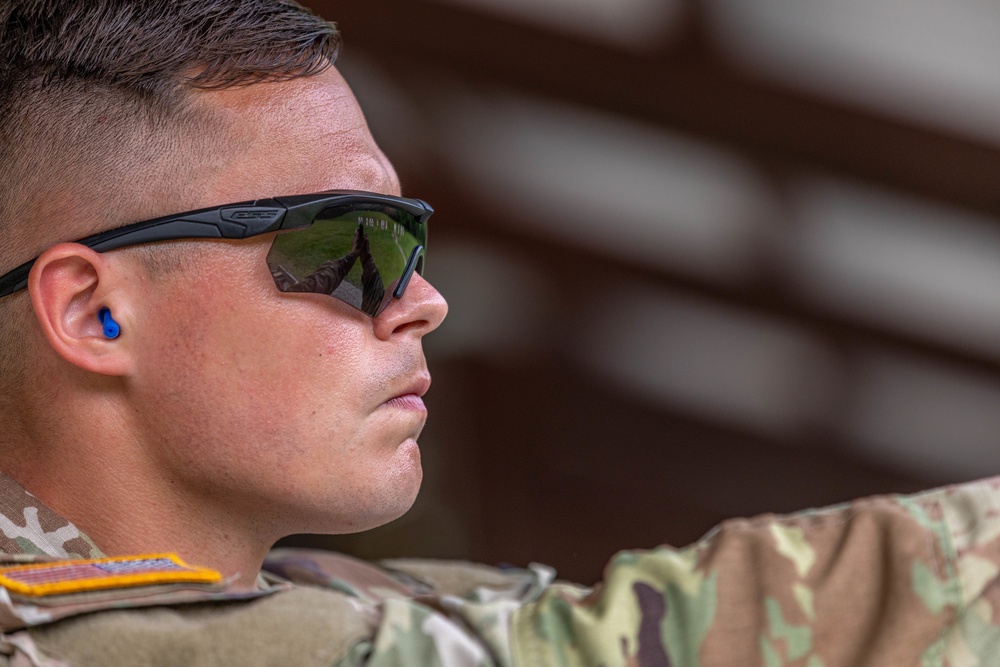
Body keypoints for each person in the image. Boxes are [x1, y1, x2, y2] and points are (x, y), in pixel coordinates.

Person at [0, 1, 999, 665]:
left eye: (408, 240)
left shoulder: (299, 593)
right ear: (94, 311)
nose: (421, 299)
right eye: (353, 241)